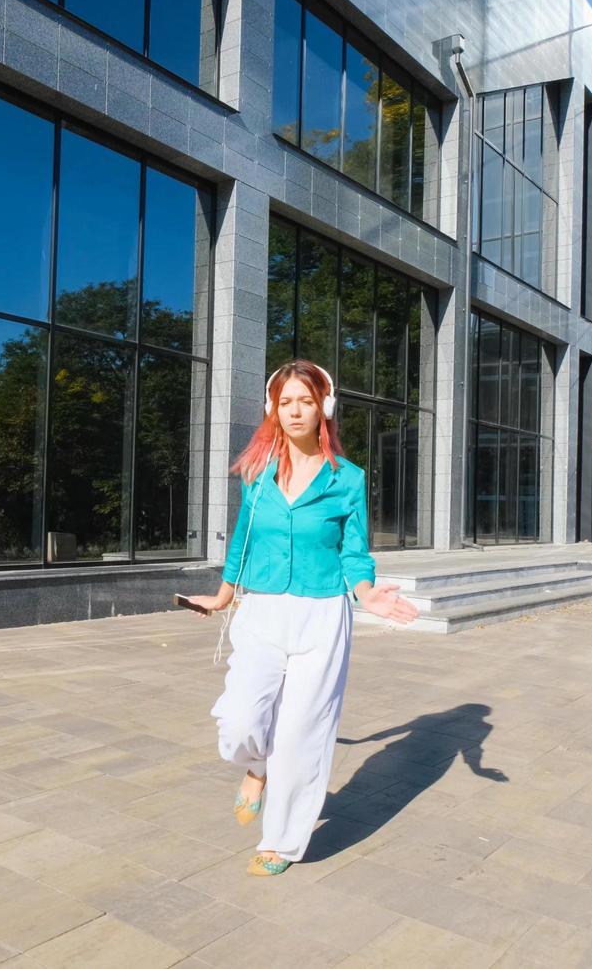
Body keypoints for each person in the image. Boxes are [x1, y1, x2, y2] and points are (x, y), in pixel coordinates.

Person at [183, 359, 418, 876]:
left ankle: (282, 842)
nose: (294, 411)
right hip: (263, 610)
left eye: (305, 401)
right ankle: (256, 767)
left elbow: (354, 551)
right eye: (285, 401)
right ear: (273, 408)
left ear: (323, 408)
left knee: (302, 734)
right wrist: (222, 597)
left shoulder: (347, 478)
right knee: (241, 720)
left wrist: (367, 593)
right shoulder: (256, 475)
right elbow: (243, 538)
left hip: (322, 614)